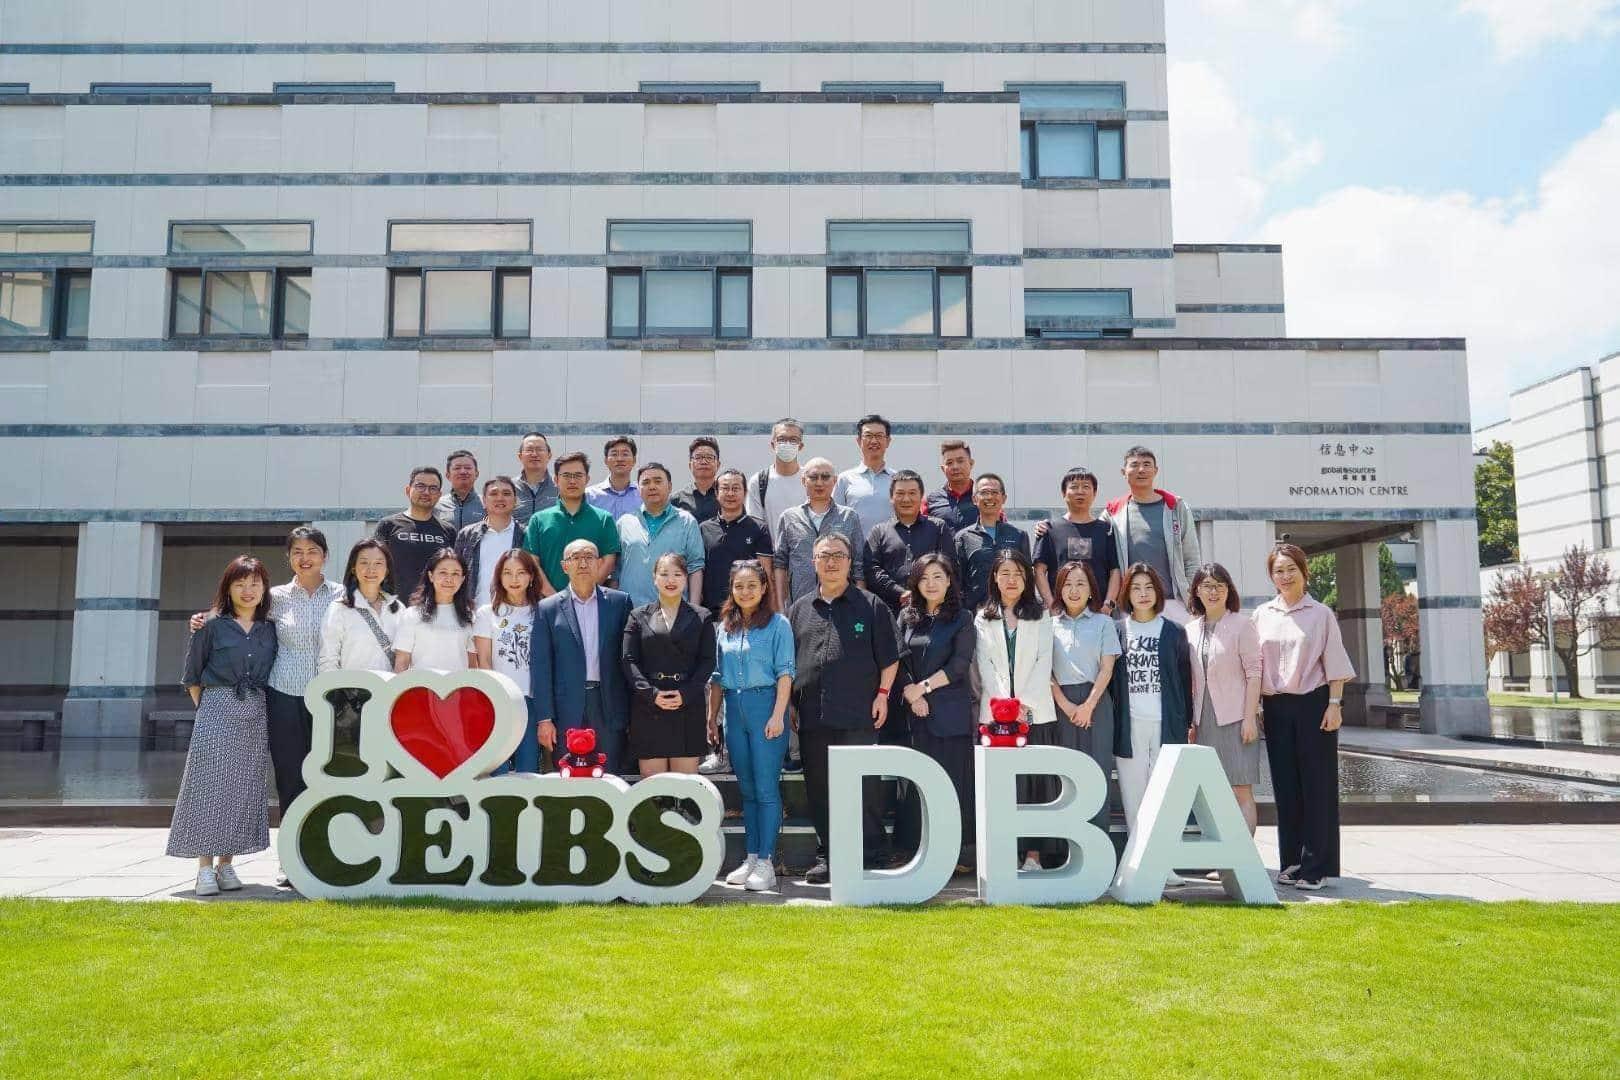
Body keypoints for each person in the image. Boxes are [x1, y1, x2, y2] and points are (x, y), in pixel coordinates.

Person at [788, 533, 899, 884]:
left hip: (858, 714)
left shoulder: (872, 605)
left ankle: (873, 852)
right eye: (824, 555)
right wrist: (791, 704)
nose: (831, 562)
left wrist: (882, 694)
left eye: (838, 555)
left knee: (864, 788)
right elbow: (790, 663)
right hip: (812, 715)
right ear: (813, 562)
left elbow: (890, 657)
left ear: (850, 563)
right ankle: (829, 856)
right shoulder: (799, 609)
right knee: (820, 789)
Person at [168, 555, 278, 897]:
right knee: (209, 787)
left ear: (264, 588)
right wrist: (211, 710)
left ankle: (226, 864)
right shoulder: (210, 625)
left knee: (243, 788)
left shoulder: (270, 628)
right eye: (240, 584)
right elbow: (192, 676)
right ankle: (204, 868)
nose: (248, 591)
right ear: (227, 588)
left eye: (255, 584)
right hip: (217, 708)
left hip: (255, 710)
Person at [1253, 543, 1355, 892]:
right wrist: (1256, 707)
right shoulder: (1262, 614)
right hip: (1275, 708)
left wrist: (1335, 704)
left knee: (1317, 786)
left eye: (1290, 569)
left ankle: (1317, 866)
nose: (1284, 576)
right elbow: (1253, 665)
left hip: (1314, 704)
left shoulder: (1321, 614)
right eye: (1278, 571)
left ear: (1303, 572)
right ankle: (1292, 862)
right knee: (1285, 787)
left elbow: (1335, 663)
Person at [708, 560, 795, 892]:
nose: (745, 592)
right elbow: (717, 677)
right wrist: (712, 718)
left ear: (764, 588)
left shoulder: (778, 624)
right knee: (746, 790)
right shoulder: (724, 627)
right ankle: (751, 856)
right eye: (739, 586)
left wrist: (778, 715)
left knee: (765, 788)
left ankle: (766, 862)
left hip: (765, 708)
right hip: (734, 709)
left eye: (752, 586)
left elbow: (786, 672)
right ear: (732, 589)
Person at [973, 549, 1057, 872]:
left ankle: (1034, 855)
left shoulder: (1041, 615)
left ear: (1027, 579)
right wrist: (1003, 706)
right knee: (1003, 787)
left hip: (1034, 714)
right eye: (1005, 573)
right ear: (994, 577)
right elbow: (985, 664)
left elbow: (1044, 661)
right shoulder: (983, 617)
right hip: (996, 717)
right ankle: (1005, 853)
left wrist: (1023, 704)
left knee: (1035, 785)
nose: (1011, 580)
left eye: (1018, 574)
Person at [895, 553, 977, 873]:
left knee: (950, 784)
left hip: (949, 715)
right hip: (912, 715)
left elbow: (959, 665)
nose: (931, 584)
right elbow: (898, 658)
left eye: (938, 577)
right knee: (914, 786)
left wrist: (923, 688)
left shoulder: (963, 618)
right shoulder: (906, 616)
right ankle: (915, 850)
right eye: (924, 578)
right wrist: (910, 691)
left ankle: (952, 854)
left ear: (949, 581)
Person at [530, 539, 635, 774]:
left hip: (609, 706)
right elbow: (541, 667)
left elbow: (629, 660)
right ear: (564, 566)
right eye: (575, 558)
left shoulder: (620, 603)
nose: (583, 563)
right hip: (565, 709)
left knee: (609, 777)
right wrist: (544, 718)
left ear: (600, 563)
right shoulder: (547, 609)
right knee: (569, 781)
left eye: (589, 557)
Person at [1110, 563, 1192, 855]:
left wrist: (1187, 723)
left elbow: (1184, 681)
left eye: (1148, 587)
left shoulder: (1173, 632)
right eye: (1136, 588)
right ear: (1126, 593)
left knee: (1164, 797)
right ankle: (1137, 861)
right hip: (1129, 725)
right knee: (1133, 797)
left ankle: (1163, 863)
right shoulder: (1117, 631)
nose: (1143, 594)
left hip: (1165, 724)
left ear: (1157, 592)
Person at [697, 468, 775, 775]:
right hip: (715, 621)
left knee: (743, 686)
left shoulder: (758, 528)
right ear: (716, 493)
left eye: (736, 488)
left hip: (750, 620)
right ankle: (716, 751)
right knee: (714, 686)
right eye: (725, 488)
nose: (730, 493)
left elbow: (766, 574)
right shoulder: (704, 529)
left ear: (744, 492)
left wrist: (769, 614)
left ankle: (741, 750)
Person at [622, 553, 716, 777]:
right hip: (648, 705)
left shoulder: (702, 616)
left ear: (686, 578)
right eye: (664, 574)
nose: (670, 580)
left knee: (685, 788)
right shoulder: (638, 616)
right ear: (654, 578)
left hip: (687, 705)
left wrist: (686, 694)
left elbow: (707, 661)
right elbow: (629, 660)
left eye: (677, 574)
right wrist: (651, 693)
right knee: (653, 789)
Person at [1047, 560, 1122, 836]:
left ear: (1091, 590)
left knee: (1097, 770)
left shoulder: (1104, 623)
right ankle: (1065, 844)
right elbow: (1044, 671)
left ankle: (1098, 840)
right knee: (1065, 774)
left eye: (1081, 584)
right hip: (1060, 704)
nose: (1074, 590)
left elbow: (1107, 668)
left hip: (1096, 702)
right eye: (1068, 584)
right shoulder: (1048, 625)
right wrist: (1066, 705)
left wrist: (1088, 705)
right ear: (1059, 590)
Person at [1103, 446, 1200, 624]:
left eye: (1147, 464)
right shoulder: (1113, 512)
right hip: (1130, 608)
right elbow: (1091, 536)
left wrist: (1192, 598)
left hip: (1174, 604)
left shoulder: (1176, 507)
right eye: (1135, 465)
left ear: (1155, 471)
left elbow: (1191, 559)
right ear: (1124, 472)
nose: (1141, 470)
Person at [474, 548, 545, 773]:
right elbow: (484, 660)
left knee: (529, 766)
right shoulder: (487, 613)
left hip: (531, 698)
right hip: (500, 698)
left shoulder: (542, 611)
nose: (514, 579)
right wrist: (494, 696)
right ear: (499, 576)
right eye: (507, 573)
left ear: (531, 576)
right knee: (498, 767)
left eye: (521, 572)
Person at [522, 450, 621, 596]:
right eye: (566, 476)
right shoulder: (539, 520)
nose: (572, 481)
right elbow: (532, 562)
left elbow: (608, 562)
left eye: (578, 475)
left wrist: (585, 594)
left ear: (587, 479)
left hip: (592, 601)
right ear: (556, 479)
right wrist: (556, 599)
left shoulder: (604, 519)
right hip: (547, 602)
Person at [772, 456, 866, 606]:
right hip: (800, 603)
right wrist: (780, 607)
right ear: (803, 481)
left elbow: (858, 565)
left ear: (834, 481)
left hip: (842, 603)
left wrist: (862, 604)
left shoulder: (849, 517)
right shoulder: (789, 517)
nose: (819, 483)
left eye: (825, 477)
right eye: (813, 477)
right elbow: (780, 564)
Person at [615, 462, 705, 607]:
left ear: (669, 486)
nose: (652, 486)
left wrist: (695, 609)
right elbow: (615, 571)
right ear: (638, 489)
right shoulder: (624, 523)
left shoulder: (686, 522)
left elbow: (695, 567)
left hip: (674, 611)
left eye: (658, 481)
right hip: (630, 611)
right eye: (646, 482)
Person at [863, 469, 955, 610]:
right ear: (891, 497)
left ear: (921, 496)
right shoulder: (878, 532)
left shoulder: (938, 528)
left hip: (932, 609)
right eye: (900, 494)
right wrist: (899, 592)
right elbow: (871, 570)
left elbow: (949, 566)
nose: (906, 499)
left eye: (912, 493)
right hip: (888, 610)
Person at [1033, 467, 1120, 616]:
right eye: (1074, 487)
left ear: (1094, 493)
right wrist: (1052, 605)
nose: (1080, 491)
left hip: (1099, 613)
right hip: (1061, 614)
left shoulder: (1106, 530)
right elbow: (1039, 570)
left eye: (1086, 487)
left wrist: (1108, 604)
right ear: (1063, 493)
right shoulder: (1049, 529)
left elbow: (1115, 570)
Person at [319, 539, 403, 674]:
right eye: (364, 562)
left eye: (378, 563)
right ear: (353, 568)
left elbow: (405, 659)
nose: (371, 569)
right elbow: (328, 661)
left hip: (390, 687)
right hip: (352, 687)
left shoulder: (398, 609)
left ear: (387, 570)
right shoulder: (339, 609)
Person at [374, 465, 457, 596]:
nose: (426, 492)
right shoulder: (388, 525)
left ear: (439, 495)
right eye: (420, 486)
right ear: (408, 490)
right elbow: (374, 566)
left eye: (433, 488)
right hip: (394, 605)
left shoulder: (449, 531)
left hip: (433, 605)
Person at [954, 473, 1031, 613]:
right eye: (984, 493)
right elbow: (957, 582)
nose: (989, 497)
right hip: (976, 614)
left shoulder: (1019, 535)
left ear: (1004, 498)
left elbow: (1027, 577)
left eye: (995, 492)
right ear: (974, 499)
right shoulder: (963, 538)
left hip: (1013, 613)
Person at [392, 548, 475, 673]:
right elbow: (401, 663)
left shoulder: (469, 617)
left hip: (458, 685)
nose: (449, 579)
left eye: (455, 574)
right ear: (431, 576)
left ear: (462, 579)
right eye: (443, 572)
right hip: (420, 685)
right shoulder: (412, 615)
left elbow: (473, 666)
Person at [454, 475, 522, 608]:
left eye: (506, 494)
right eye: (494, 494)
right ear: (484, 501)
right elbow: (456, 573)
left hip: (515, 612)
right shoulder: (467, 535)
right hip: (474, 612)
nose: (500, 498)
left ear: (515, 501)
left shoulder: (525, 534)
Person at [833, 413, 901, 538]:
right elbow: (834, 519)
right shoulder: (845, 479)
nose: (874, 441)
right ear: (859, 441)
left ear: (888, 441)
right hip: (855, 549)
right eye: (868, 436)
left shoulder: (898, 479)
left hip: (890, 547)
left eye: (879, 436)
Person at [747, 417, 806, 546]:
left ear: (800, 446)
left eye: (793, 440)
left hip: (805, 555)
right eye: (781, 439)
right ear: (773, 444)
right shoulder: (759, 481)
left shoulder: (810, 479)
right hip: (771, 555)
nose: (787, 444)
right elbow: (755, 525)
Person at [585, 434, 643, 518]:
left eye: (625, 454)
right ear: (606, 460)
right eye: (614, 454)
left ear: (634, 460)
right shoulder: (589, 496)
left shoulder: (643, 495)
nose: (620, 459)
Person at [925, 439, 978, 531]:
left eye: (960, 461)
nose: (955, 467)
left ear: (971, 463)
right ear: (943, 469)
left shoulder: (984, 497)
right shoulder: (931, 501)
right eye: (949, 463)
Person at [513, 431, 559, 529]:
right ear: (520, 456)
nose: (534, 454)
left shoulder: (560, 486)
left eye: (539, 449)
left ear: (549, 455)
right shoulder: (509, 488)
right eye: (529, 450)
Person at [673, 436, 722, 523]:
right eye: (698, 457)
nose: (704, 462)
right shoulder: (676, 500)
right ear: (690, 465)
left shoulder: (727, 497)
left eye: (709, 457)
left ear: (718, 465)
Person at [436, 449, 485, 532]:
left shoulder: (487, 505)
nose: (463, 471)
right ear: (448, 475)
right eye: (457, 468)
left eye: (468, 468)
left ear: (476, 474)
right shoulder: (437, 505)